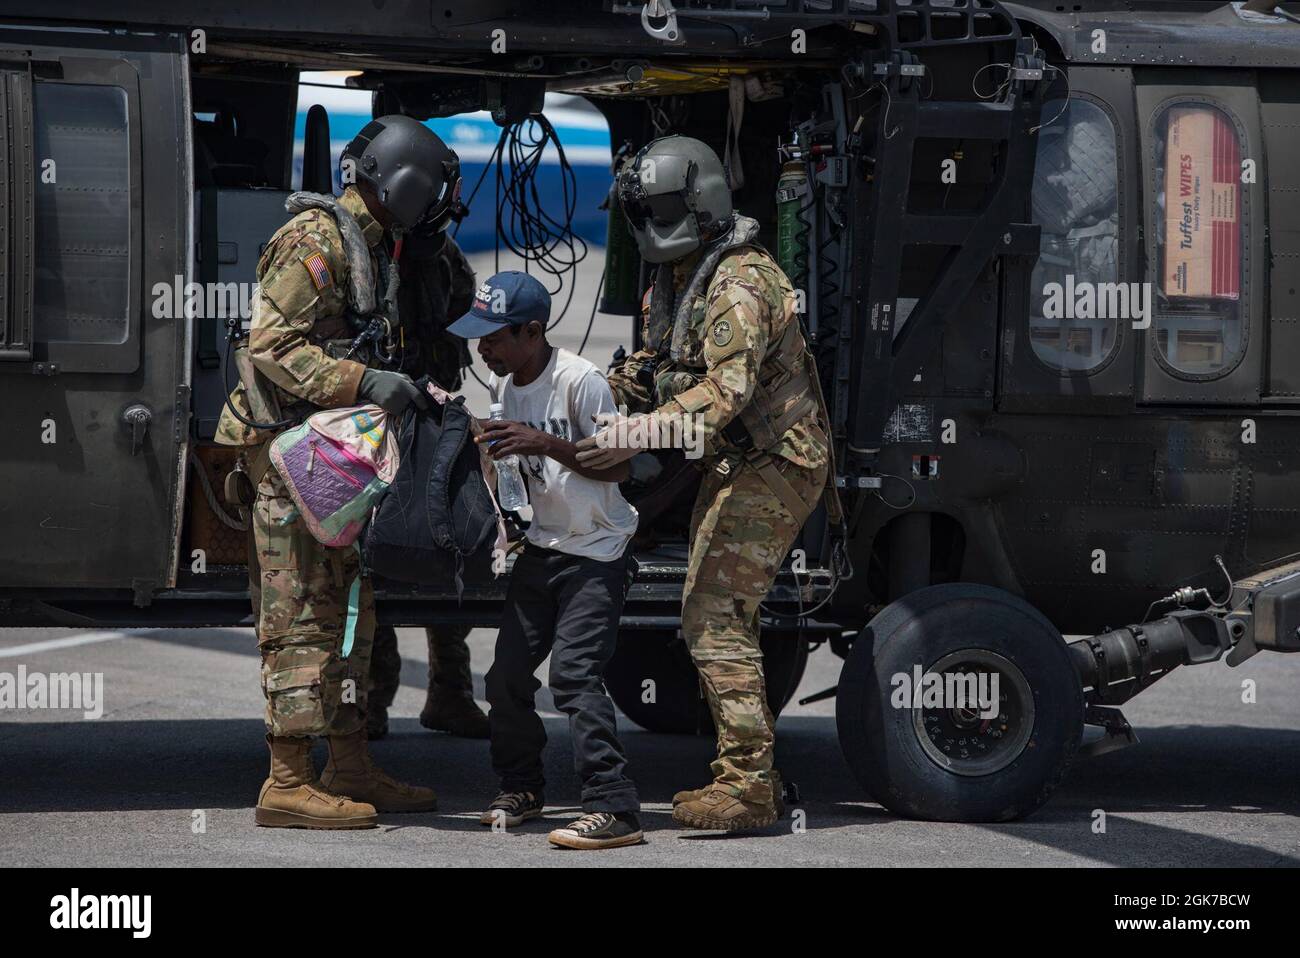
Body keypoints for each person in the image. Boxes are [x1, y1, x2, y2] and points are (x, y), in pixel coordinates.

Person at [577, 135, 838, 832]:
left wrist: (633, 433)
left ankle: (748, 787)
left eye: (661, 209)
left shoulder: (738, 283)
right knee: (716, 610)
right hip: (735, 458)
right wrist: (598, 393)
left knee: (713, 613)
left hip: (776, 459)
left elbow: (724, 392)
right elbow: (665, 363)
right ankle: (748, 772)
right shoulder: (682, 275)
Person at [215, 114, 459, 828]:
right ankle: (287, 782)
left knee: (352, 614)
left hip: (333, 458)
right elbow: (271, 344)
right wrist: (361, 380)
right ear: (407, 184)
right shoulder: (317, 240)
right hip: (293, 458)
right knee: (300, 617)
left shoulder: (378, 246)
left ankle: (350, 765)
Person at [449, 270, 643, 850]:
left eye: (494, 336)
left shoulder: (582, 382)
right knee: (505, 678)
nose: (482, 347)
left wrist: (547, 443)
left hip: (596, 552)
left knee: (574, 676)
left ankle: (616, 809)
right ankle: (522, 788)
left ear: (532, 332)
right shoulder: (504, 383)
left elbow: (621, 466)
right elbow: (517, 470)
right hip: (544, 547)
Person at [366, 228, 491, 742]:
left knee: (444, 538)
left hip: (435, 412)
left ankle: (450, 691)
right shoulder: (364, 249)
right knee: (380, 549)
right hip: (375, 415)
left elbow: (461, 314)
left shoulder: (444, 254)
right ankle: (370, 701)